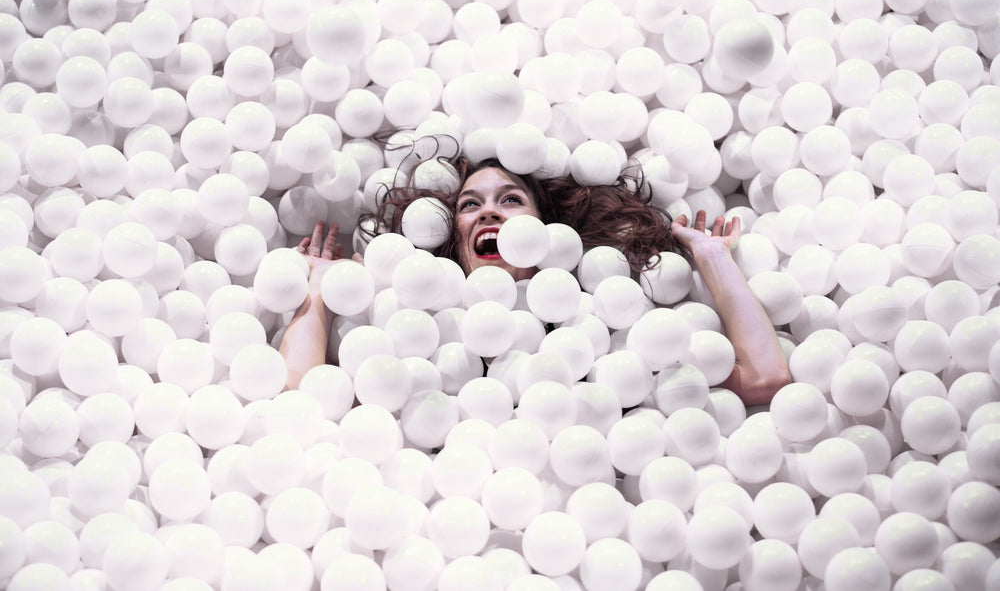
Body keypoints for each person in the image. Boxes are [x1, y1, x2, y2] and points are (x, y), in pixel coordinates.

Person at [279, 143, 791, 405]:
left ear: (547, 228)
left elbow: (765, 380)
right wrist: (321, 292)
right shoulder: (405, 318)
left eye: (510, 200)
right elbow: (298, 398)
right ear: (451, 235)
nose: (489, 212)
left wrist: (715, 258)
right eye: (470, 204)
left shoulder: (606, 318)